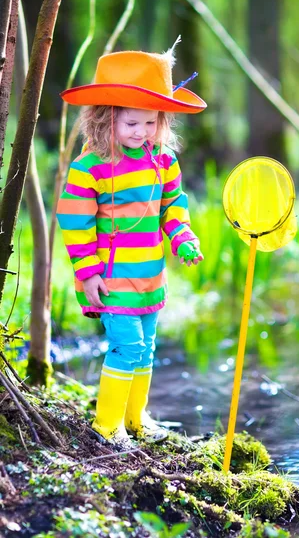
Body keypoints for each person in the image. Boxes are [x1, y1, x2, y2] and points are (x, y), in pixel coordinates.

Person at [56, 44, 207, 447]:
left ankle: (135, 418)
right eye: (131, 124)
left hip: (150, 274)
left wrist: (183, 237)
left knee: (147, 347)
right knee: (127, 346)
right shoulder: (91, 167)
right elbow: (75, 220)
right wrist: (86, 274)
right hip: (111, 277)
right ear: (106, 121)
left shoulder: (163, 162)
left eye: (150, 123)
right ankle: (108, 426)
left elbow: (173, 206)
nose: (141, 133)